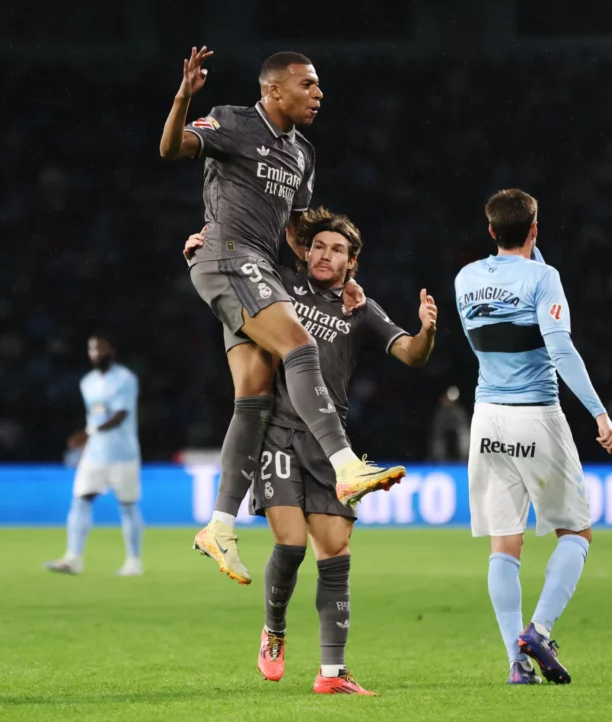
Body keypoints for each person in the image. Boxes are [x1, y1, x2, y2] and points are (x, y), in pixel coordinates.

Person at [160, 47, 404, 585]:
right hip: (230, 259)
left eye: (319, 86)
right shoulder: (231, 121)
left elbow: (297, 234)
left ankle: (219, 526)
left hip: (259, 268)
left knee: (254, 398)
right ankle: (346, 467)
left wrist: (343, 277)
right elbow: (171, 146)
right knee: (301, 344)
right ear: (274, 89)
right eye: (309, 85)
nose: (319, 94)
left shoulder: (303, 154)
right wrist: (183, 96)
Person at [185, 207, 437, 694]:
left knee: (336, 550)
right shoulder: (277, 285)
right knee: (292, 544)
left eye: (337, 249)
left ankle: (332, 674)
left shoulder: (360, 307)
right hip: (276, 433)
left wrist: (426, 330)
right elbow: (234, 285)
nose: (325, 254)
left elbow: (410, 354)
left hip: (328, 439)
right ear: (305, 251)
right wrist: (204, 248)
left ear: (352, 261)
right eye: (318, 245)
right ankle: (274, 632)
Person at [455, 189, 612, 685]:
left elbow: (501, 303)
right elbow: (562, 351)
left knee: (504, 546)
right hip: (536, 415)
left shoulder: (465, 278)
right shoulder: (544, 278)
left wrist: (527, 250)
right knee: (577, 532)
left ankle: (516, 662)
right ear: (534, 230)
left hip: (486, 419)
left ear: (489, 231)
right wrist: (600, 414)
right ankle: (540, 631)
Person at [45, 334, 144, 576]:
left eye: (100, 349)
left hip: (123, 454)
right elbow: (97, 414)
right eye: (91, 350)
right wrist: (90, 435)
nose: (96, 354)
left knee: (127, 506)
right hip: (95, 455)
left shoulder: (125, 379)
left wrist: (89, 432)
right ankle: (73, 557)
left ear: (113, 350)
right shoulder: (87, 382)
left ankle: (133, 561)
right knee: (80, 499)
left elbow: (120, 414)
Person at [428, 386, 470, 461]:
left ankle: (465, 457)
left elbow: (464, 426)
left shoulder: (458, 411)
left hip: (457, 430)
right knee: (438, 437)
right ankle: (438, 458)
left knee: (464, 433)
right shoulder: (440, 412)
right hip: (442, 432)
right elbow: (437, 430)